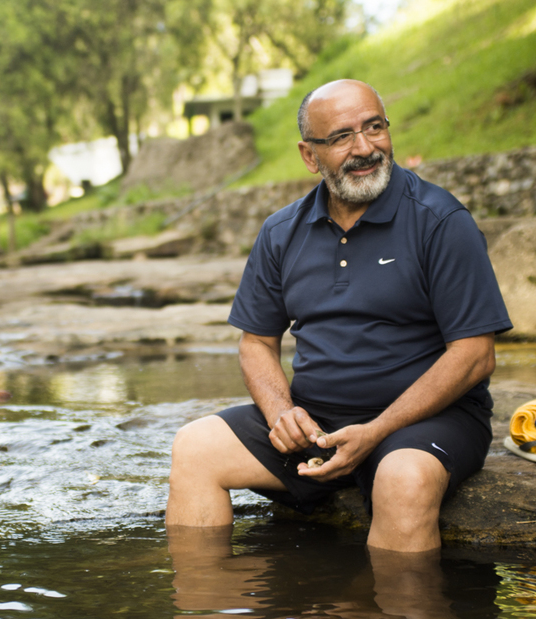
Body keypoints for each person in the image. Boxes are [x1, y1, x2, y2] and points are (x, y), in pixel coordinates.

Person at [166, 79, 512, 553]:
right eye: (343, 137)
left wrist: (375, 432)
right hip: (319, 423)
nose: (365, 148)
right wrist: (282, 414)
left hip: (427, 422)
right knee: (194, 448)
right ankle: (215, 614)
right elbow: (257, 343)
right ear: (310, 156)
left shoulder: (441, 221)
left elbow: (475, 355)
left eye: (375, 128)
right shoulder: (281, 232)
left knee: (403, 479)